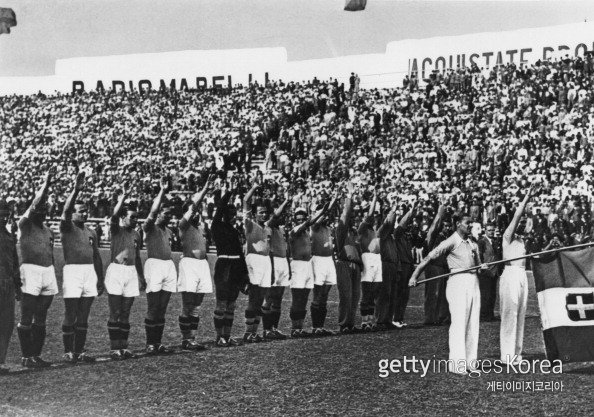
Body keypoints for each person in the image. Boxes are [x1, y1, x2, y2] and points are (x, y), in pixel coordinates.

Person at [409, 212, 487, 374]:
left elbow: (478, 265)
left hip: (473, 281)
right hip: (458, 281)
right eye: (467, 223)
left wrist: (482, 267)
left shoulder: (473, 243)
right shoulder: (451, 241)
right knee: (459, 323)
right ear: (458, 224)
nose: (470, 226)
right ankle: (457, 364)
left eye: (471, 223)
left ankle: (471, 362)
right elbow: (429, 257)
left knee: (473, 323)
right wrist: (415, 275)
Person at [60, 171, 104, 363]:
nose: (84, 213)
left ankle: (80, 350)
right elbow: (66, 210)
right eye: (80, 210)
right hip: (73, 271)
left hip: (89, 272)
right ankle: (68, 350)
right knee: (71, 312)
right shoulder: (67, 227)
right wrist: (76, 190)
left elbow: (96, 256)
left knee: (84, 314)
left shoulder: (91, 232)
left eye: (86, 211)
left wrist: (100, 278)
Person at [16, 170, 57, 367]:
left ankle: (36, 355)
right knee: (27, 313)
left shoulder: (48, 231)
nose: (42, 211)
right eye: (39, 209)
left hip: (47, 272)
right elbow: (34, 205)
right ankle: (26, 356)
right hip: (30, 271)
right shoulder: (24, 225)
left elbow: (50, 254)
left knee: (41, 315)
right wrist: (46, 183)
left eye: (44, 210)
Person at [105, 184, 145, 360]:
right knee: (115, 311)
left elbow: (137, 257)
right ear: (123, 218)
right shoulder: (116, 229)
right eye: (132, 217)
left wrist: (141, 276)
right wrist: (123, 197)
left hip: (130, 272)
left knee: (126, 312)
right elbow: (114, 216)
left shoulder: (136, 234)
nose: (135, 220)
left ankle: (123, 346)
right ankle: (115, 348)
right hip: (116, 271)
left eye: (137, 218)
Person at [499, 185, 535, 365]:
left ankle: (516, 354)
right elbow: (518, 216)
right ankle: (507, 355)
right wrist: (527, 197)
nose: (520, 224)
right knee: (510, 314)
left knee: (520, 315)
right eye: (518, 222)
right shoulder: (507, 236)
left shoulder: (522, 240)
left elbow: (528, 222)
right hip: (510, 275)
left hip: (522, 276)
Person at [177, 176, 213, 351]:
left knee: (197, 306)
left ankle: (192, 338)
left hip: (202, 265)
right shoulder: (183, 226)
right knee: (188, 304)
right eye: (194, 212)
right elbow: (193, 207)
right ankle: (186, 339)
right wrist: (205, 189)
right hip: (189, 264)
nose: (197, 214)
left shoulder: (200, 228)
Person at [211, 182, 248, 347]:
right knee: (222, 303)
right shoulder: (217, 226)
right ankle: (219, 337)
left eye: (235, 213)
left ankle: (227, 335)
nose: (234, 216)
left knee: (232, 305)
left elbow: (240, 254)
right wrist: (229, 193)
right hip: (224, 267)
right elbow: (219, 209)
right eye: (231, 214)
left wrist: (244, 274)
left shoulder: (235, 231)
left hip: (236, 268)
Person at [142, 177, 176, 355]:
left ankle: (158, 342)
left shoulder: (168, 231)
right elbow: (152, 213)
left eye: (171, 214)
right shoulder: (150, 227)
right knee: (153, 306)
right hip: (154, 266)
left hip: (168, 267)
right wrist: (162, 191)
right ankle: (150, 343)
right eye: (166, 213)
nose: (169, 217)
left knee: (162, 307)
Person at [242, 183, 272, 343]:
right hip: (254, 261)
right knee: (253, 298)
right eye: (260, 212)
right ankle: (248, 332)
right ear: (254, 214)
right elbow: (245, 201)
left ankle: (254, 331)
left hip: (266, 262)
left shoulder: (267, 228)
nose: (264, 215)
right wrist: (253, 186)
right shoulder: (249, 224)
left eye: (265, 212)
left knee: (262, 298)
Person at [262, 196, 291, 341]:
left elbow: (285, 250)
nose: (282, 217)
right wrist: (286, 202)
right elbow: (275, 216)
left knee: (278, 298)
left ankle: (274, 327)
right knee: (269, 297)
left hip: (282, 263)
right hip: (272, 262)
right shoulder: (268, 226)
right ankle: (266, 329)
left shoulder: (281, 229)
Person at [311, 189, 339, 336]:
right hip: (318, 261)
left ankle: (320, 326)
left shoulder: (328, 228)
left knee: (325, 294)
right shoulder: (313, 226)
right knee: (318, 294)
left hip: (328, 261)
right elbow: (323, 214)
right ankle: (316, 327)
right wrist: (330, 203)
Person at [335, 183, 362, 334]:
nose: (352, 218)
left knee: (355, 295)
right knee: (346, 295)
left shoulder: (354, 232)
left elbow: (358, 249)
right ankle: (344, 324)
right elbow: (345, 215)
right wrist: (349, 196)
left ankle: (350, 323)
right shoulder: (341, 229)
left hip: (355, 265)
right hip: (344, 264)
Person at [0, 199, 21, 374]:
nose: (3, 217)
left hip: (7, 285)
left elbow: (14, 262)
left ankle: (0, 361)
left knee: (7, 324)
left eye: (5, 213)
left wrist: (18, 285)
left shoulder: (8, 236)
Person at [423, 198, 450, 326]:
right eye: (445, 225)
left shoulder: (445, 237)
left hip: (442, 268)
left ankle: (438, 317)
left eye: (448, 225)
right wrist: (441, 211)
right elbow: (435, 226)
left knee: (441, 295)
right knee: (432, 293)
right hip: (433, 267)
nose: (447, 227)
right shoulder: (433, 236)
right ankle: (429, 318)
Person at [358, 190, 382, 331]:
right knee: (367, 292)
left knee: (374, 291)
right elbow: (370, 214)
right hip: (367, 259)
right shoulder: (362, 227)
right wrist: (374, 198)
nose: (374, 218)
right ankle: (364, 321)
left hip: (376, 260)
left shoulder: (373, 230)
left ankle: (371, 320)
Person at [393, 202, 417, 328]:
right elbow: (402, 225)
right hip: (401, 266)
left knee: (405, 294)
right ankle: (395, 318)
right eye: (408, 225)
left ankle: (400, 318)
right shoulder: (397, 234)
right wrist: (410, 212)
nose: (409, 227)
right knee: (399, 293)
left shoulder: (408, 237)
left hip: (408, 266)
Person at [376, 203, 399, 331]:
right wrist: (393, 211)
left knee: (392, 294)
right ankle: (380, 320)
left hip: (393, 266)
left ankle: (388, 319)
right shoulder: (381, 233)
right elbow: (387, 225)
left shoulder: (391, 236)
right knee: (384, 293)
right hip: (384, 264)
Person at [478, 222, 500, 322]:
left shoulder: (495, 241)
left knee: (492, 294)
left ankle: (490, 314)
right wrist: (482, 267)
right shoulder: (482, 241)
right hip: (486, 272)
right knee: (485, 294)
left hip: (494, 271)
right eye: (489, 230)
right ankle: (484, 315)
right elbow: (479, 255)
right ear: (485, 230)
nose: (491, 232)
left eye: (492, 230)